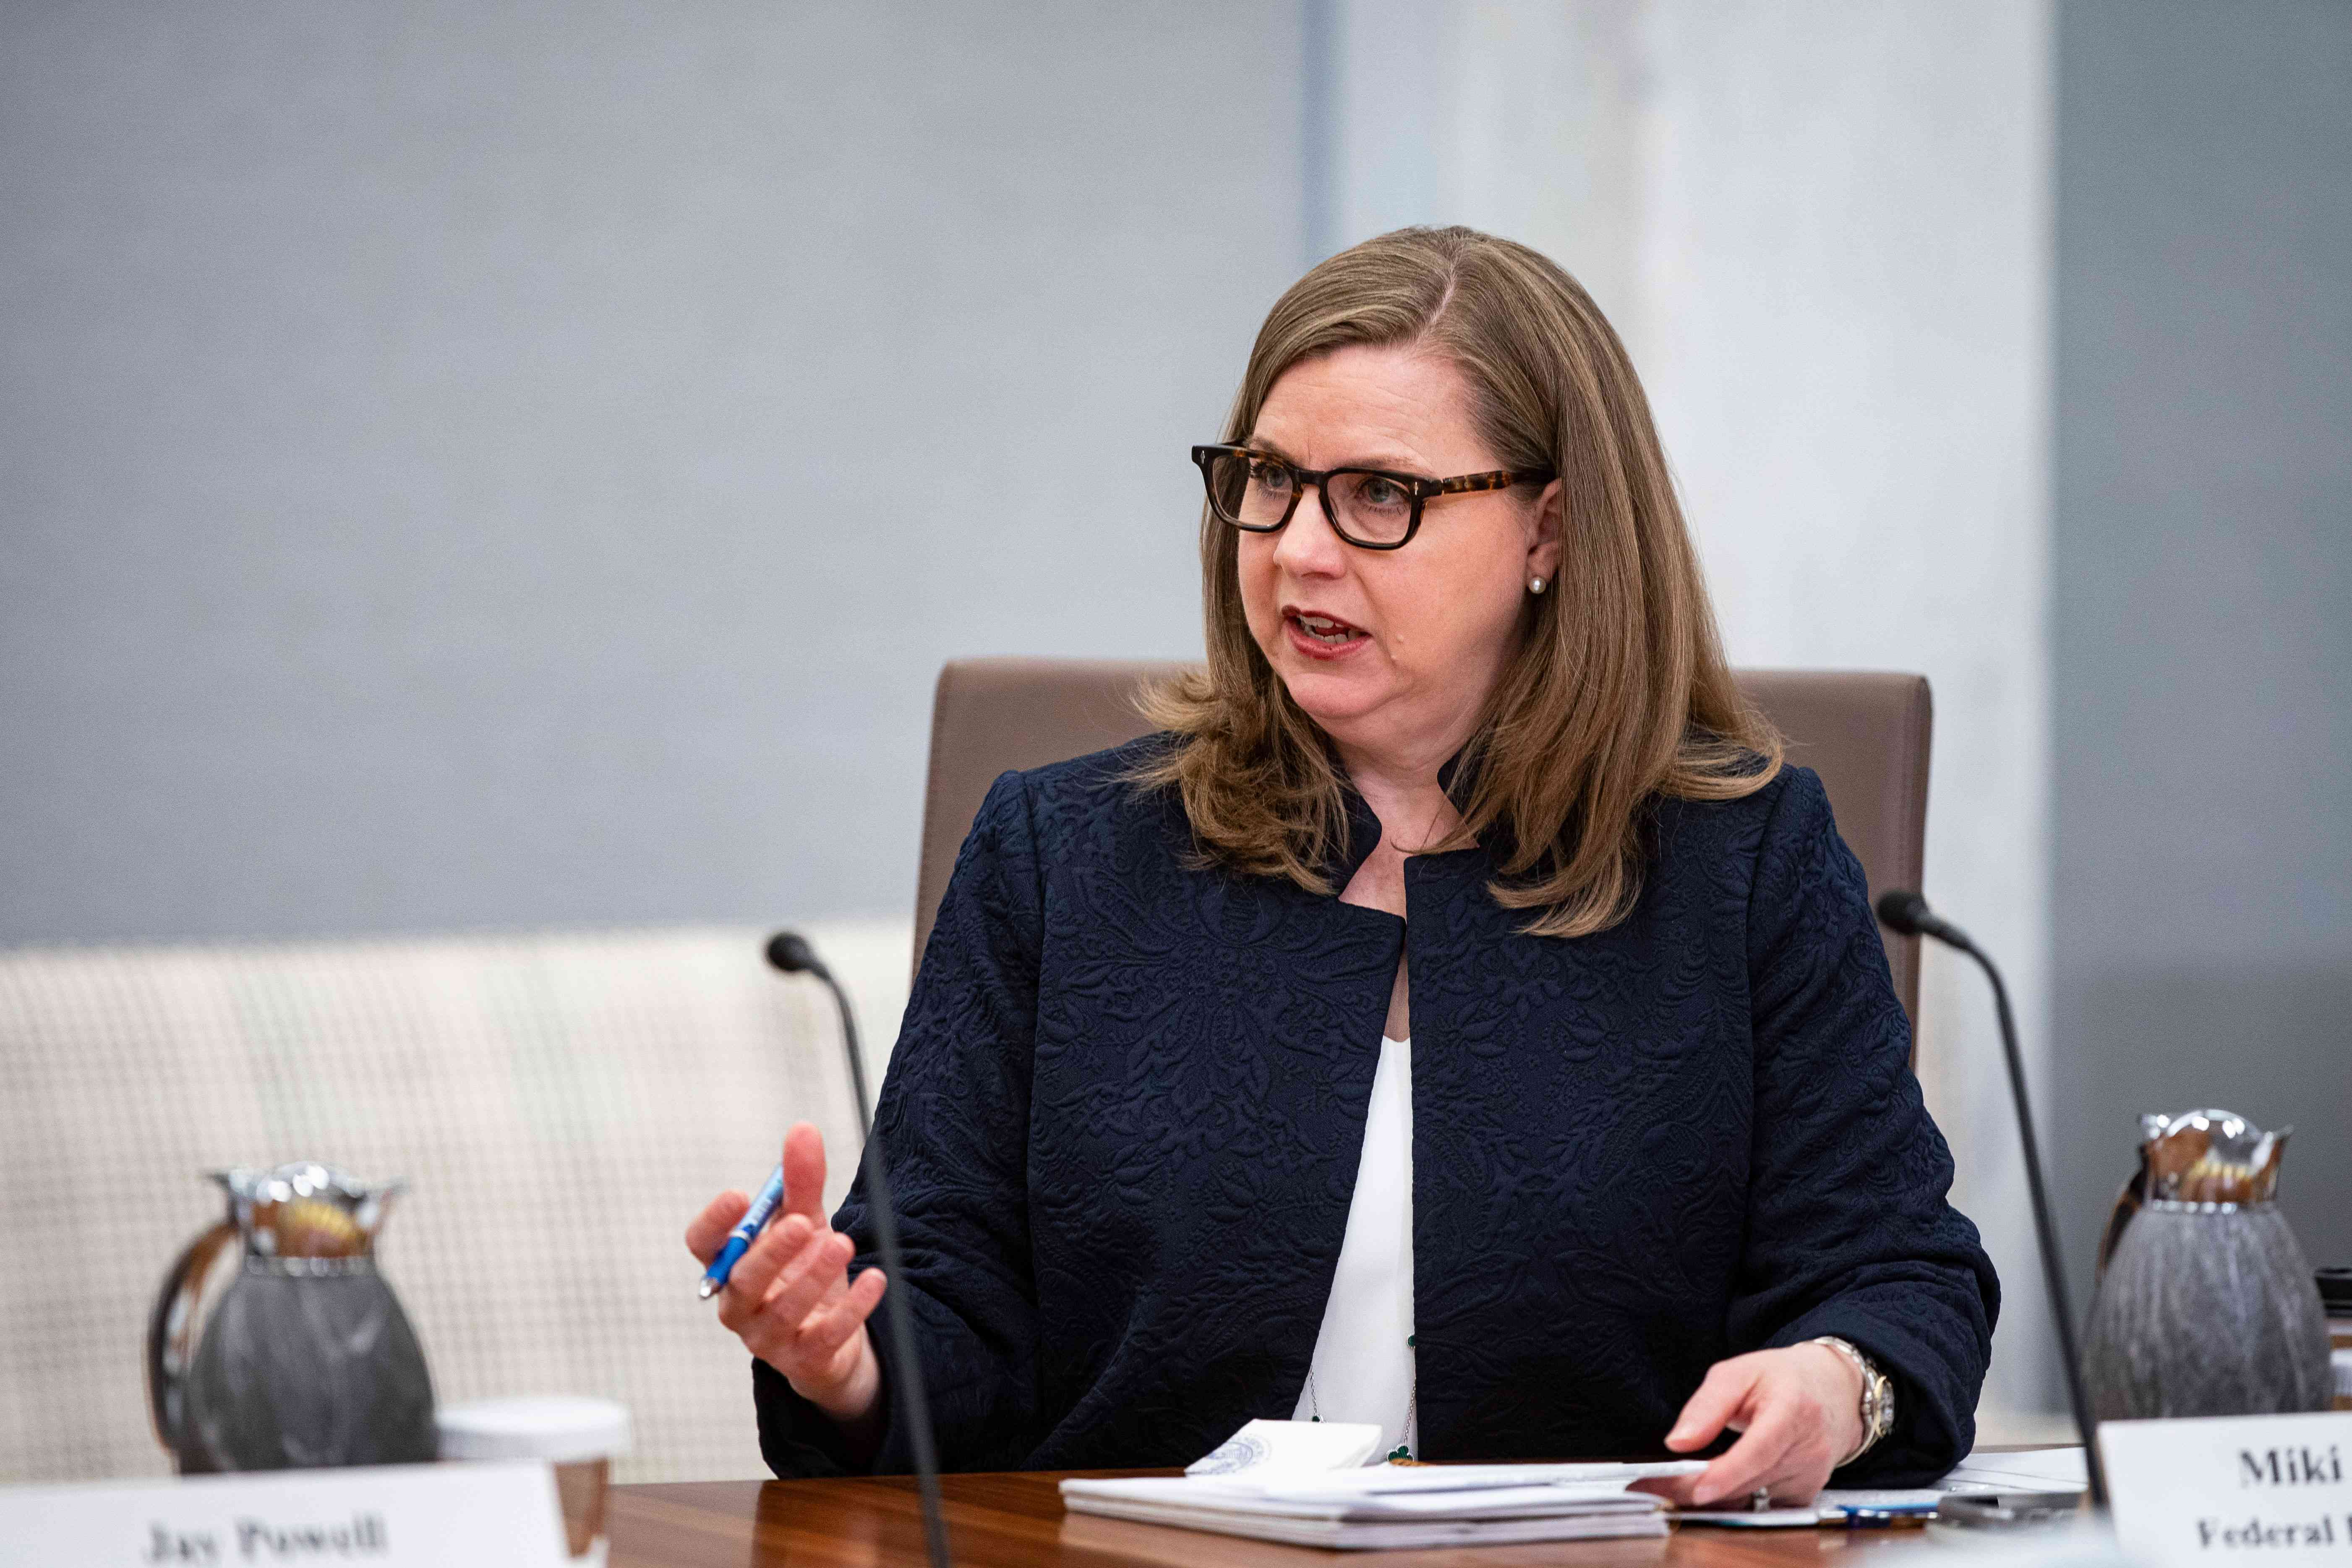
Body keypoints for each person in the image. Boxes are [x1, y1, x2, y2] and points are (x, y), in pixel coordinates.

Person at [685, 225, 1997, 1506]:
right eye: (1269, 478)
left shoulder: (1744, 862)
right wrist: (845, 1359)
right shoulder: (1061, 853)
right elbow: (948, 1313)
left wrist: (1843, 1381)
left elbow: (1901, 1277)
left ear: (1552, 529)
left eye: (1381, 494)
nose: (1298, 547)